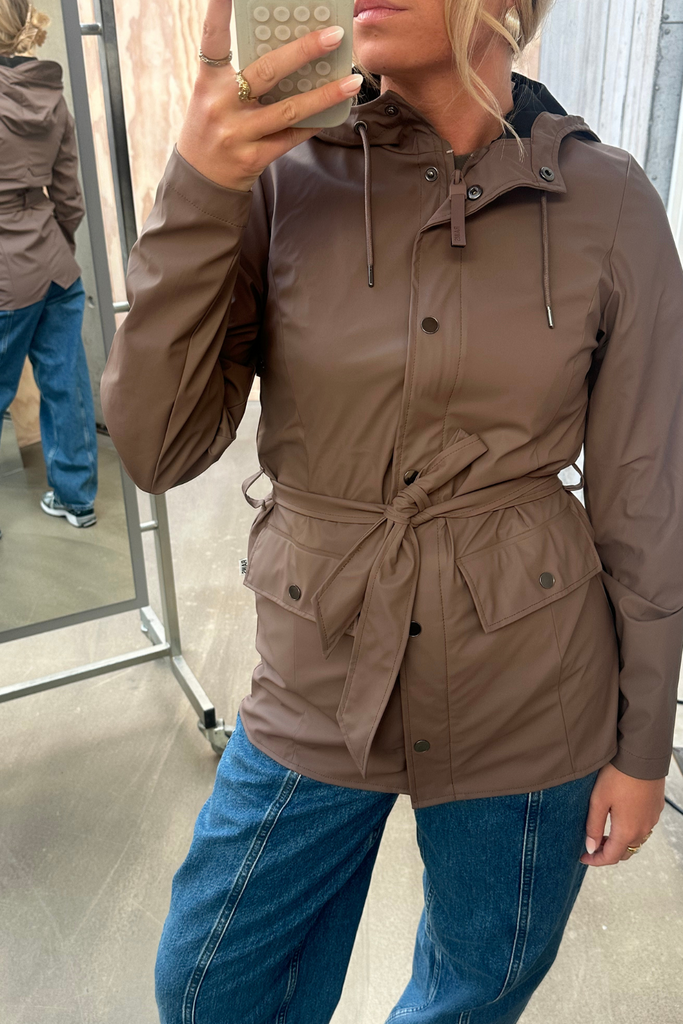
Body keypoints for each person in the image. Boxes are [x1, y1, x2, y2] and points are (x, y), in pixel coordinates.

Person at [101, 0, 683, 1021]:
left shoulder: (608, 201)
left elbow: (646, 500)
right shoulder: (278, 179)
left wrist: (642, 749)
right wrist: (198, 188)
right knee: (208, 985)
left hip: (531, 682)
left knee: (474, 990)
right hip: (318, 662)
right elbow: (157, 448)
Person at [0, 0, 97, 531]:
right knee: (67, 383)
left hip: (5, 272)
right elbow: (68, 196)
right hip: (54, 262)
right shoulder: (50, 93)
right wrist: (56, 248)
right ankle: (76, 499)